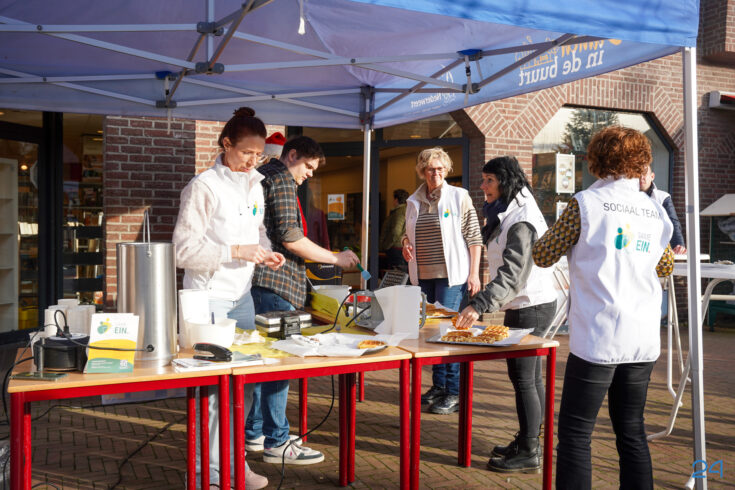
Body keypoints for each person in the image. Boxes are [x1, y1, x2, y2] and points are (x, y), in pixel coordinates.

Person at [532, 126, 674, 489]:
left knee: (576, 433)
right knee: (631, 431)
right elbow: (664, 266)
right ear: (641, 162)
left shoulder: (585, 204)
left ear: (596, 159)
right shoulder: (653, 209)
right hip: (641, 336)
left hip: (599, 334)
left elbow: (543, 254)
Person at [172, 107, 285, 489]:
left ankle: (235, 464)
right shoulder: (202, 186)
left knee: (244, 385)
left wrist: (265, 251)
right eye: (246, 153)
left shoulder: (255, 184)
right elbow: (182, 251)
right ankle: (205, 473)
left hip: (241, 296)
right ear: (226, 144)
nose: (253, 161)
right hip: (207, 298)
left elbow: (257, 231)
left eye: (259, 155)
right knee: (211, 392)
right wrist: (236, 251)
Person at [246, 135, 360, 464]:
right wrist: (335, 258)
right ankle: (277, 441)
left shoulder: (265, 175)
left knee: (263, 362)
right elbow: (290, 237)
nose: (310, 174)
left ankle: (255, 431)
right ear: (291, 155)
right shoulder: (281, 178)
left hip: (261, 284)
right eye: (308, 166)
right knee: (279, 365)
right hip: (277, 286)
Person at [455, 156, 557, 473]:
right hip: (522, 304)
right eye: (483, 179)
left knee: (525, 379)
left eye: (489, 180)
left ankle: (529, 451)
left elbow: (513, 275)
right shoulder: (509, 209)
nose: (483, 186)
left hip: (532, 305)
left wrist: (479, 304)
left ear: (506, 181)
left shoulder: (522, 219)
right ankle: (529, 440)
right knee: (526, 377)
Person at [402, 147, 482, 414]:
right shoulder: (413, 200)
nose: (435, 173)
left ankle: (454, 391)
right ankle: (438, 386)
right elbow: (407, 232)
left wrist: (474, 274)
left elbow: (474, 237)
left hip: (451, 276)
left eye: (440, 169)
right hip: (422, 275)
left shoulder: (459, 196)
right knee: (431, 331)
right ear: (422, 171)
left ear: (446, 170)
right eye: (430, 169)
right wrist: (405, 243)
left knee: (449, 332)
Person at [640, 164, 686, 254]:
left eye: (644, 173)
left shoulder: (662, 197)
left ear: (652, 176)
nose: (641, 177)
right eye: (638, 174)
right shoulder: (627, 197)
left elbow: (673, 222)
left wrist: (678, 244)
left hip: (656, 249)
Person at [379, 188, 409, 271]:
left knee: (397, 273)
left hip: (396, 248)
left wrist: (386, 245)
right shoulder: (406, 210)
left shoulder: (399, 212)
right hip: (401, 247)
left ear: (396, 200)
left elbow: (395, 231)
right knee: (402, 273)